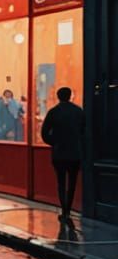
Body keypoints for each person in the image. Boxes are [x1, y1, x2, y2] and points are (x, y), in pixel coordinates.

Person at [41, 86, 85, 223]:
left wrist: (53, 142)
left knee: (61, 182)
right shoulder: (78, 111)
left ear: (58, 97)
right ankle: (68, 210)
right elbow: (84, 131)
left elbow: (44, 132)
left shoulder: (53, 112)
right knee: (72, 182)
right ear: (70, 95)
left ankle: (64, 209)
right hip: (74, 153)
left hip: (59, 153)